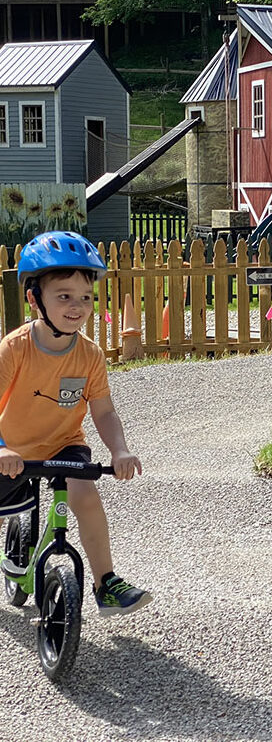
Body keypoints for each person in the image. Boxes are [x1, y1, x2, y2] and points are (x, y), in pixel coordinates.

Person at [0, 231, 151, 615]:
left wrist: (119, 449)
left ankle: (106, 583)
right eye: (63, 295)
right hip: (9, 448)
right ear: (35, 299)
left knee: (86, 494)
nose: (77, 306)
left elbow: (103, 411)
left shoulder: (89, 355)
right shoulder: (14, 349)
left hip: (63, 442)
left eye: (85, 297)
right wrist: (3, 448)